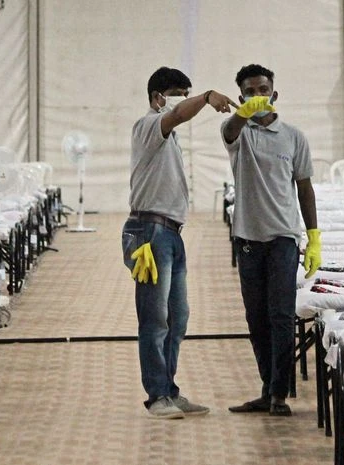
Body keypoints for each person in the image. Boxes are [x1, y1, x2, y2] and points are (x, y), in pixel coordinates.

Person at [122, 66, 237, 419]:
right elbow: (176, 115)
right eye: (178, 93)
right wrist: (205, 97)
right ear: (158, 97)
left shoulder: (169, 141)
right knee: (155, 318)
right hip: (150, 232)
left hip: (171, 232)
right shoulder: (149, 127)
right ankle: (157, 394)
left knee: (178, 318)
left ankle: (169, 389)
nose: (183, 101)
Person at [221, 64, 321, 417]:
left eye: (263, 89)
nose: (258, 96)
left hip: (283, 238)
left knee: (281, 315)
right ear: (242, 97)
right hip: (248, 237)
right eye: (250, 92)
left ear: (275, 94)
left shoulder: (294, 137)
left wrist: (313, 237)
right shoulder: (239, 133)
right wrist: (242, 113)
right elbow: (230, 129)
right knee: (256, 318)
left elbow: (305, 188)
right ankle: (267, 386)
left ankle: (279, 393)